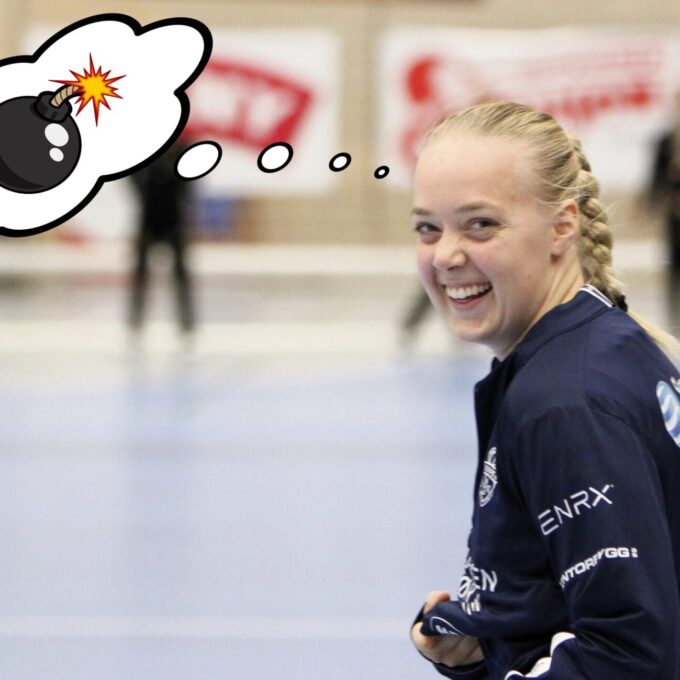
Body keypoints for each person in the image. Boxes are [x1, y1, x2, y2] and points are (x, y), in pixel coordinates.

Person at [409, 101, 680, 679]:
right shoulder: (602, 344)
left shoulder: (564, 401)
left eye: (481, 224)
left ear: (563, 226)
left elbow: (628, 656)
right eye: (428, 227)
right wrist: (494, 645)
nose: (446, 255)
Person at [128, 142, 195, 337]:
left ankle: (186, 320)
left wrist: (178, 196)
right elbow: (132, 175)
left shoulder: (182, 149)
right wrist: (144, 195)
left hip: (173, 214)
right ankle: (136, 318)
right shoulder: (143, 150)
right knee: (141, 271)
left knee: (180, 271)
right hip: (149, 213)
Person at [648, 89, 680, 328]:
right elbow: (657, 180)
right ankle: (675, 319)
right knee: (674, 269)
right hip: (675, 219)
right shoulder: (666, 140)